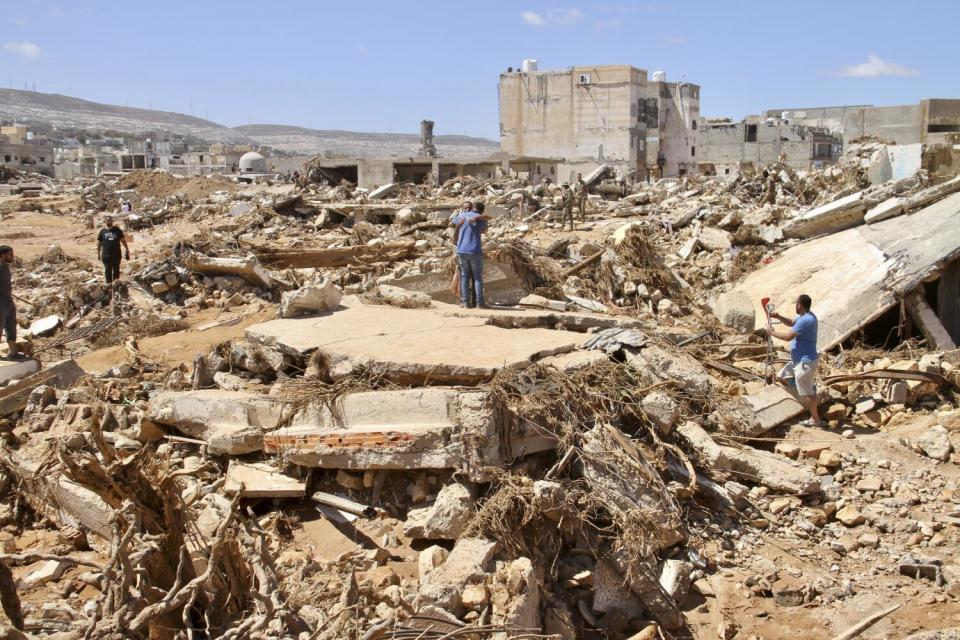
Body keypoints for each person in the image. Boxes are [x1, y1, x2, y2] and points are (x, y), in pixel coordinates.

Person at [768, 294, 822, 426]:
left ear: (800, 305)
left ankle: (815, 419)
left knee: (808, 393)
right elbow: (792, 323)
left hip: (805, 362)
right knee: (782, 377)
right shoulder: (803, 317)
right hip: (797, 361)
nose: (795, 306)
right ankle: (805, 387)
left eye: (796, 304)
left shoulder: (807, 320)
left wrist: (771, 332)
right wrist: (779, 317)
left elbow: (788, 337)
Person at [450, 201, 488, 308]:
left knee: (464, 277)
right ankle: (480, 303)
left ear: (472, 207)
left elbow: (452, 222)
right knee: (477, 277)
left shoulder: (462, 216)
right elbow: (484, 230)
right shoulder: (481, 218)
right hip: (475, 250)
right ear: (481, 210)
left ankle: (465, 303)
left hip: (461, 250)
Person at [0, 246, 25, 360]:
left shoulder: (5, 267)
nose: (12, 257)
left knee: (11, 326)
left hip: (8, 301)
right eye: (10, 254)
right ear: (3, 255)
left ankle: (13, 351)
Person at [97, 216, 130, 285]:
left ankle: (116, 285)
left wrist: (127, 249)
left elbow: (123, 240)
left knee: (116, 270)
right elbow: (99, 244)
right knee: (107, 270)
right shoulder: (102, 231)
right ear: (105, 222)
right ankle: (109, 286)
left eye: (110, 220)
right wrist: (98, 254)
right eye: (108, 220)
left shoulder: (117, 230)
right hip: (106, 255)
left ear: (112, 221)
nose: (109, 222)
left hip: (117, 255)